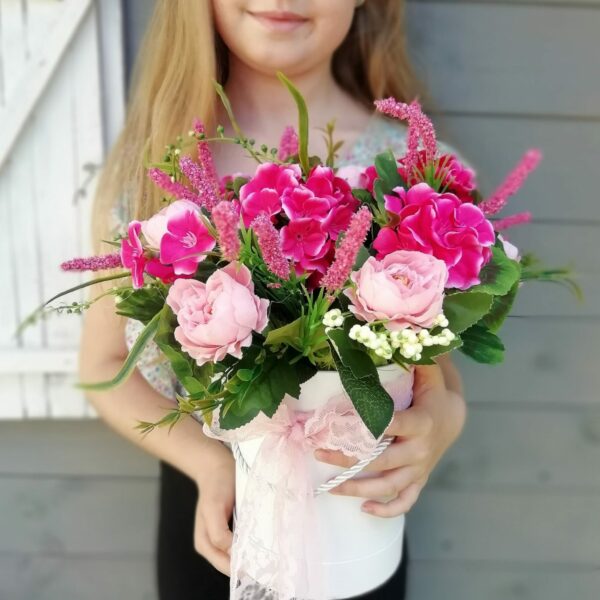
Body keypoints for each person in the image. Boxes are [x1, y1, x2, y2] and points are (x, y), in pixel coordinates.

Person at [80, 1, 467, 598]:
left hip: (358, 514)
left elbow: (434, 366)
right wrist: (210, 463)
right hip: (219, 515)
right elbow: (104, 366)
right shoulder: (159, 166)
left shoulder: (411, 172)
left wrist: (444, 418)